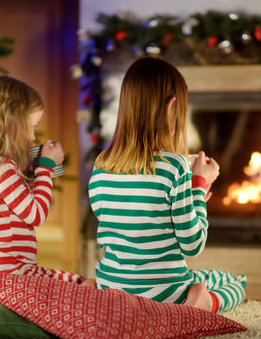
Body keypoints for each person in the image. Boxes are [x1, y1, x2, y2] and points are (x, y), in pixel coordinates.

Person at [88, 57, 246, 313]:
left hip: (113, 286)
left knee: (206, 276)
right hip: (165, 292)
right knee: (232, 282)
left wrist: (193, 195)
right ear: (173, 107)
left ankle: (96, 292)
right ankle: (203, 303)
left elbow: (134, 222)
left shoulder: (101, 164)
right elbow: (193, 244)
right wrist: (198, 183)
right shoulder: (175, 166)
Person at [0, 76, 93, 290]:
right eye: (30, 127)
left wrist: (32, 172)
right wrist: (46, 166)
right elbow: (36, 214)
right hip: (9, 278)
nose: (32, 137)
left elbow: (17, 208)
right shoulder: (0, 167)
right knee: (82, 286)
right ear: (10, 123)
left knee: (79, 281)